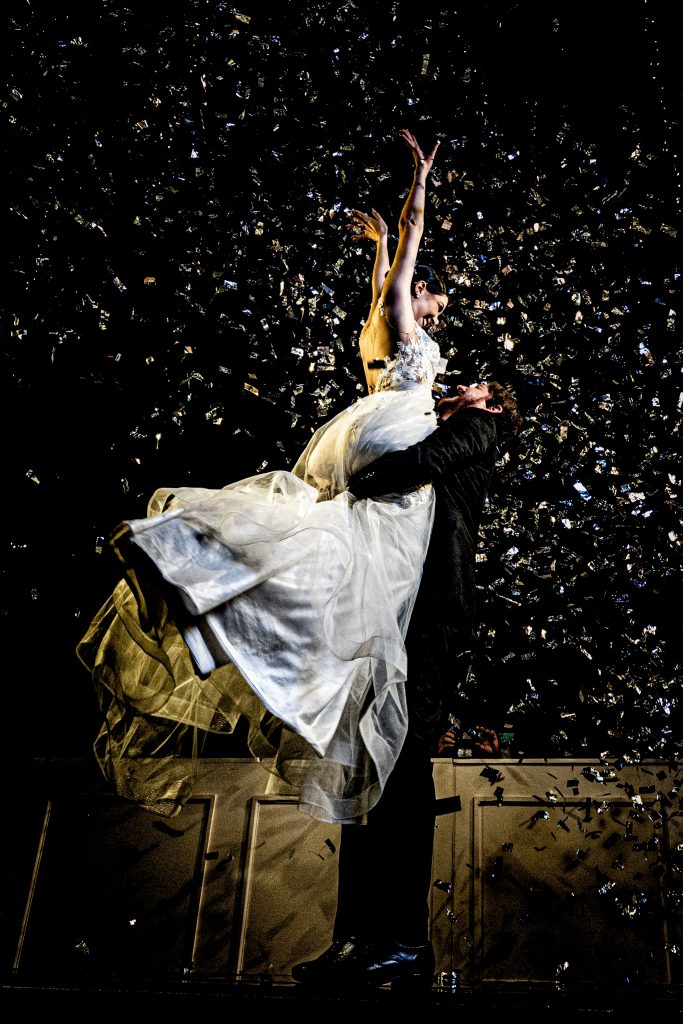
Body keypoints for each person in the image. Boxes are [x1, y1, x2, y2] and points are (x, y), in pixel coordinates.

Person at [76, 129, 450, 823]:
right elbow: (412, 236)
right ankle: (269, 634)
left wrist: (375, 249)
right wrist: (418, 182)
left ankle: (217, 608)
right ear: (419, 293)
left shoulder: (378, 321)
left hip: (358, 429)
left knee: (328, 544)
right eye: (434, 300)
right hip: (383, 429)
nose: (436, 310)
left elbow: (386, 274)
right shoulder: (401, 321)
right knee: (369, 567)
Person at [290, 378, 523, 991]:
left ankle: (403, 942)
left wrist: (357, 473)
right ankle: (357, 939)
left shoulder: (478, 429)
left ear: (495, 407)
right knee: (366, 774)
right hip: (397, 616)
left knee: (402, 771)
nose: (465, 385)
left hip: (431, 622)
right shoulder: (451, 426)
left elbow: (405, 469)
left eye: (480, 387)